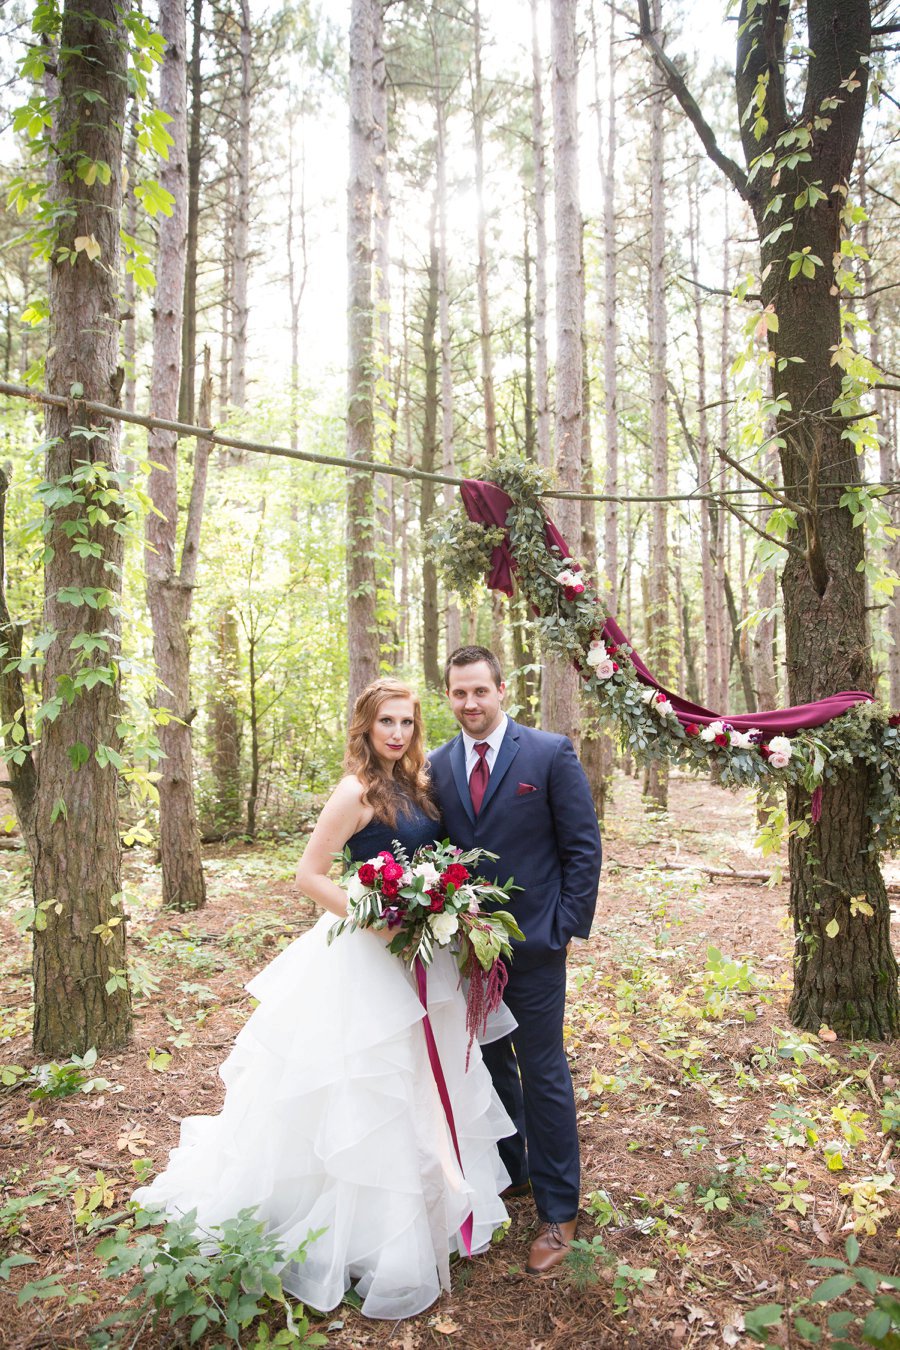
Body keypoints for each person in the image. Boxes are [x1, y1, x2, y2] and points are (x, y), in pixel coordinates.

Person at [133, 677, 514, 1319]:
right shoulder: (355, 791)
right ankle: (361, 1235)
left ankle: (425, 1212)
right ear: (365, 727)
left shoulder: (416, 787)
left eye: (406, 723)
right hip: (366, 957)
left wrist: (436, 901)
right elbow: (309, 874)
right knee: (366, 1087)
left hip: (421, 953)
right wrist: (375, 914)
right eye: (386, 722)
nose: (397, 733)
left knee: (421, 1082)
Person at [429, 646, 602, 1276]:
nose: (470, 703)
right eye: (458, 693)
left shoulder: (548, 753)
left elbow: (582, 846)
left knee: (543, 1069)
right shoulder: (437, 765)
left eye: (480, 691)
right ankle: (515, 1170)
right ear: (447, 697)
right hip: (467, 950)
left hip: (535, 949)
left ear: (502, 690)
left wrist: (562, 928)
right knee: (491, 1062)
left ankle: (560, 1211)